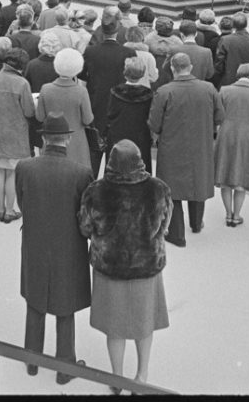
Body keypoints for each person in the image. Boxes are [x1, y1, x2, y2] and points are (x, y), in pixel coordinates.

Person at [78, 140, 171, 394]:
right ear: (140, 161)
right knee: (144, 323)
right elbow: (164, 228)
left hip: (110, 270)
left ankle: (117, 378)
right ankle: (141, 377)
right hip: (146, 267)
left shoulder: (95, 191)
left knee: (115, 327)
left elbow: (85, 228)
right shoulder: (159, 189)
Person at [15, 112, 93, 383]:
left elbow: (22, 201)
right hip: (68, 245)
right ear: (68, 140)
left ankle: (32, 359)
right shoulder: (81, 173)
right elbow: (86, 214)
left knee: (35, 301)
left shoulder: (24, 167)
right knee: (65, 304)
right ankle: (64, 366)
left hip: (35, 242)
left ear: (44, 138)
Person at [149, 52, 224, 245]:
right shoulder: (208, 88)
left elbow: (155, 123)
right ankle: (196, 223)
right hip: (201, 144)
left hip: (172, 145)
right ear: (190, 67)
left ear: (173, 68)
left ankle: (176, 234)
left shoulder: (165, 91)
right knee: (198, 181)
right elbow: (220, 117)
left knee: (172, 189)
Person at [0, 48, 36, 222]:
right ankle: (9, 210)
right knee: (12, 173)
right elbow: (28, 111)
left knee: (0, 171)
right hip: (15, 132)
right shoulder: (22, 84)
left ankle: (0, 209)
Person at [79, 18, 137, 174]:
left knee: (94, 154)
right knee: (115, 156)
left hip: (96, 105)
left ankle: (90, 189)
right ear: (117, 32)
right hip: (119, 107)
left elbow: (83, 78)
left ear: (102, 32)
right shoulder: (128, 53)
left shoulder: (91, 51)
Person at [214, 63, 249, 227]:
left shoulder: (224, 90)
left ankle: (228, 214)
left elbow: (217, 115)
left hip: (226, 134)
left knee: (225, 174)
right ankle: (237, 215)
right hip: (248, 136)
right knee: (241, 177)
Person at [35, 48, 94, 169]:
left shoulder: (46, 89)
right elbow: (88, 119)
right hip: (76, 142)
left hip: (51, 140)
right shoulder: (81, 91)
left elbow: (39, 117)